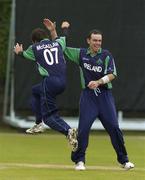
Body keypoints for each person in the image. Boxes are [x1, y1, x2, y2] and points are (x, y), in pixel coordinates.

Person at [43, 19, 135, 170]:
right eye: (95, 40)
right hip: (88, 97)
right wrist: (54, 32)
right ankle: (80, 161)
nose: (98, 43)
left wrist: (98, 82)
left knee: (114, 128)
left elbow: (113, 74)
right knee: (84, 129)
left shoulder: (106, 55)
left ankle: (124, 160)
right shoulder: (80, 54)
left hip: (104, 96)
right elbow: (60, 48)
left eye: (99, 40)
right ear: (88, 41)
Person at [13, 19, 78, 152]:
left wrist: (18, 51)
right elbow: (64, 37)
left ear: (34, 41)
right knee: (35, 91)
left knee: (49, 117)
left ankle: (68, 131)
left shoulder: (35, 48)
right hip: (62, 82)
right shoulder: (57, 43)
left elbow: (24, 55)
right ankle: (38, 123)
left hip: (49, 82)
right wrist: (62, 28)